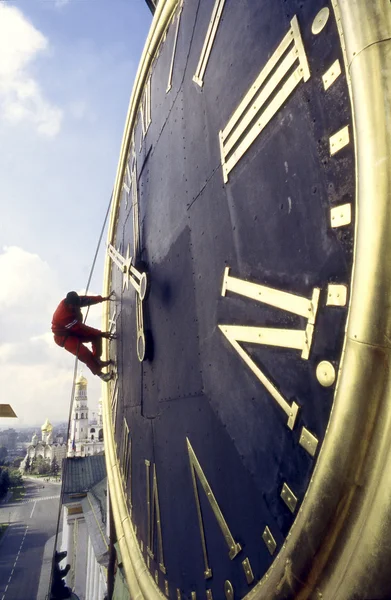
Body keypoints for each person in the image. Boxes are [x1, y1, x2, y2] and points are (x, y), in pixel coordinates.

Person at [52, 291, 116, 382]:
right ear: (70, 304)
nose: (77, 307)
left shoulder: (75, 301)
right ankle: (100, 374)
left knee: (96, 337)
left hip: (73, 330)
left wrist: (103, 298)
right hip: (64, 337)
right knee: (83, 353)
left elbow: (87, 300)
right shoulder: (63, 315)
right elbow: (80, 328)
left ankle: (97, 360)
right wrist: (100, 333)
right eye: (75, 306)